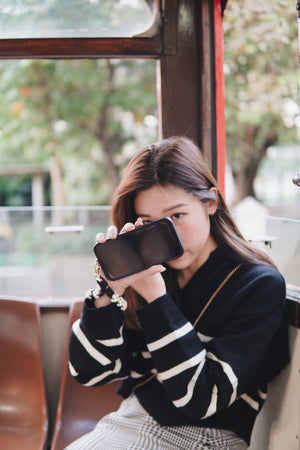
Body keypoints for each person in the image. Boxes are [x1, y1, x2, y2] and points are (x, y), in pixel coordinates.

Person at [66, 136, 290, 449]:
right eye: (148, 222)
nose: (167, 233)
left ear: (211, 202)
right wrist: (108, 292)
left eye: (177, 216)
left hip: (210, 436)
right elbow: (89, 372)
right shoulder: (150, 271)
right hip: (132, 417)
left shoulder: (258, 284)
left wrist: (157, 300)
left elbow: (202, 400)